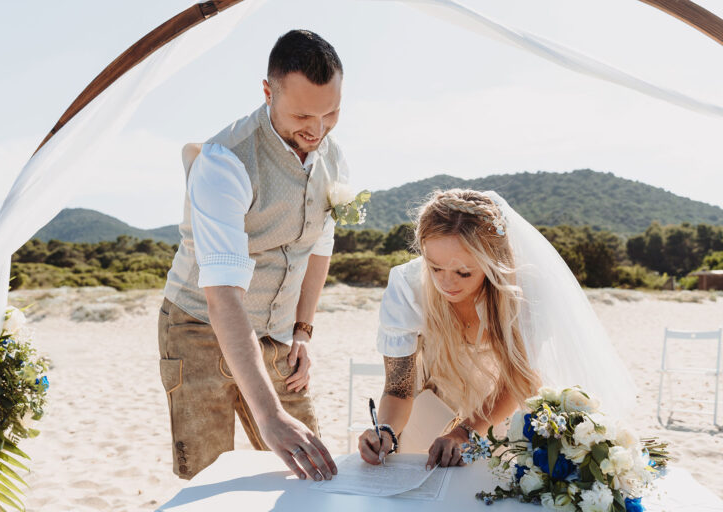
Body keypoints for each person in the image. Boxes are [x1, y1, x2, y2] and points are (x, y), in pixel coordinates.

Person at [158, 29, 345, 482]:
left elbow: (319, 247)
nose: (317, 130)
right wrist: (270, 416)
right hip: (198, 325)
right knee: (208, 481)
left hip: (277, 332)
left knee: (310, 476)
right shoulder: (225, 162)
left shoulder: (332, 157)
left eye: (331, 112)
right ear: (267, 92)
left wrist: (302, 331)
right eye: (302, 114)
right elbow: (222, 295)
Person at [358, 189, 636, 469]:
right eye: (435, 268)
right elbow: (398, 389)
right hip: (436, 398)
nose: (446, 283)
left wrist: (464, 432)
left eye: (464, 272)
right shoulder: (408, 286)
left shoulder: (527, 291)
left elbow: (516, 382)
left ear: (493, 260)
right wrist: (386, 430)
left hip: (505, 403)